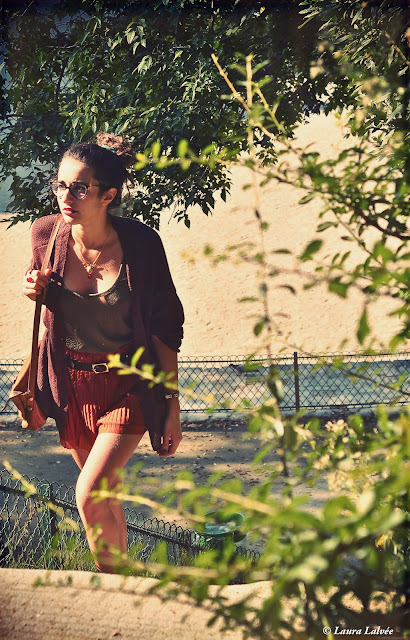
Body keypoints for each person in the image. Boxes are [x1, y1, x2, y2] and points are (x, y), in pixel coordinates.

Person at [22, 133, 184, 573]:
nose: (66, 196)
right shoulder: (45, 233)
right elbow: (44, 293)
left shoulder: (141, 245)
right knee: (106, 496)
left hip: (130, 384)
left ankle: (114, 592)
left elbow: (166, 328)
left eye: (80, 188)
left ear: (108, 195)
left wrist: (171, 405)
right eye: (60, 185)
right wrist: (35, 287)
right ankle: (127, 584)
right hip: (72, 386)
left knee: (88, 495)